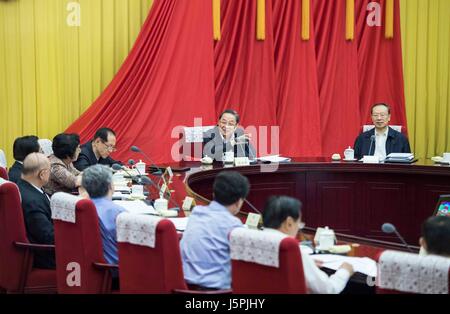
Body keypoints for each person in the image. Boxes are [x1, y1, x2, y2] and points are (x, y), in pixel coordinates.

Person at [262, 196, 354, 294]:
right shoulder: (292, 251)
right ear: (289, 223)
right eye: (299, 224)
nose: (298, 229)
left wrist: (302, 265)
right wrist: (345, 271)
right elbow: (328, 290)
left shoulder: (253, 241)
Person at [180, 171, 249, 289]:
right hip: (217, 292)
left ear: (213, 194)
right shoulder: (233, 225)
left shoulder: (197, 213)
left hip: (185, 288)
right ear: (239, 202)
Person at [81, 164, 125, 266]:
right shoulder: (119, 213)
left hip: (89, 266)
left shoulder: (80, 209)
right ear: (110, 186)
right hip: (116, 269)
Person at [17, 153, 55, 269]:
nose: (51, 173)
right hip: (45, 257)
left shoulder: (22, 186)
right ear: (42, 174)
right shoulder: (33, 202)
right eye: (50, 170)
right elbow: (49, 237)